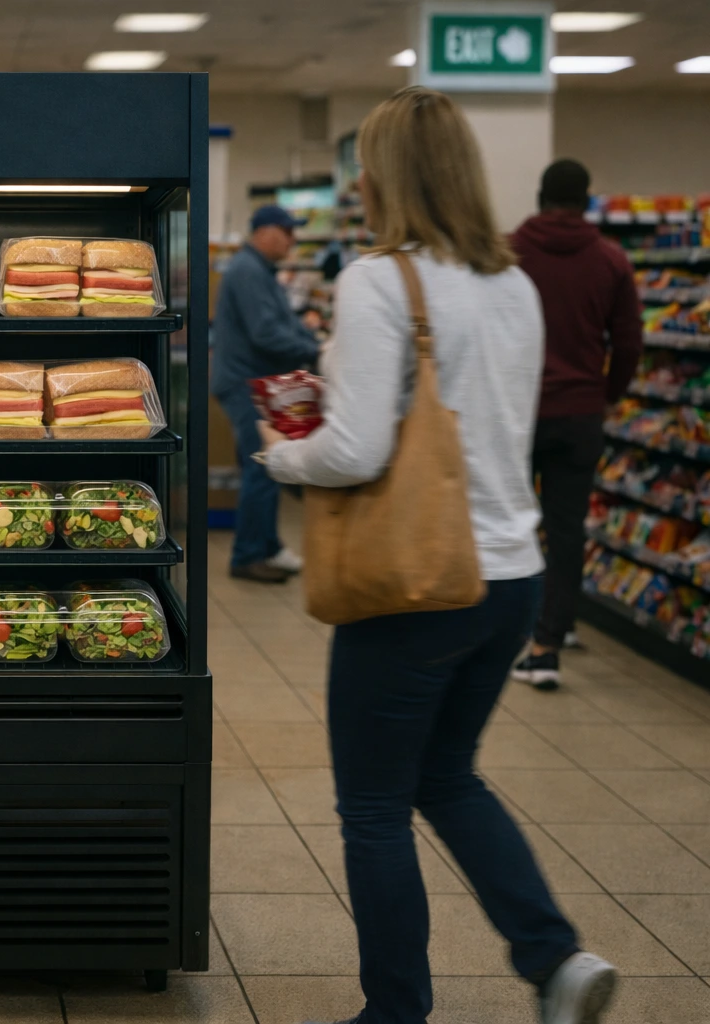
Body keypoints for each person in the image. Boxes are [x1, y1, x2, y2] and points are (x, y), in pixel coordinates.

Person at [259, 88, 616, 1024]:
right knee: (448, 777)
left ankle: (395, 1013)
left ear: (384, 179)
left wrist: (281, 452)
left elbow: (358, 451)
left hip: (421, 581)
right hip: (510, 575)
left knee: (373, 807)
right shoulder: (513, 285)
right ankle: (555, 959)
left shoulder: (385, 280)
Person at [509, 159, 643, 690]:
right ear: (587, 201)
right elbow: (629, 343)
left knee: (511, 522)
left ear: (540, 197)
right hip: (580, 414)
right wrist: (604, 395)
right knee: (566, 531)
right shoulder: (611, 259)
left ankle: (506, 631)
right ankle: (548, 643)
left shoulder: (509, 253)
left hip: (518, 413)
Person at [212, 204, 322, 583]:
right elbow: (266, 333)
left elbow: (281, 322)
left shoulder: (259, 270)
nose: (292, 240)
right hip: (245, 383)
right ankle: (247, 556)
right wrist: (313, 350)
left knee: (268, 466)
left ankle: (268, 545)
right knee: (262, 465)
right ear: (263, 232)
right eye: (287, 231)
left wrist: (308, 338)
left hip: (257, 383)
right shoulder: (247, 270)